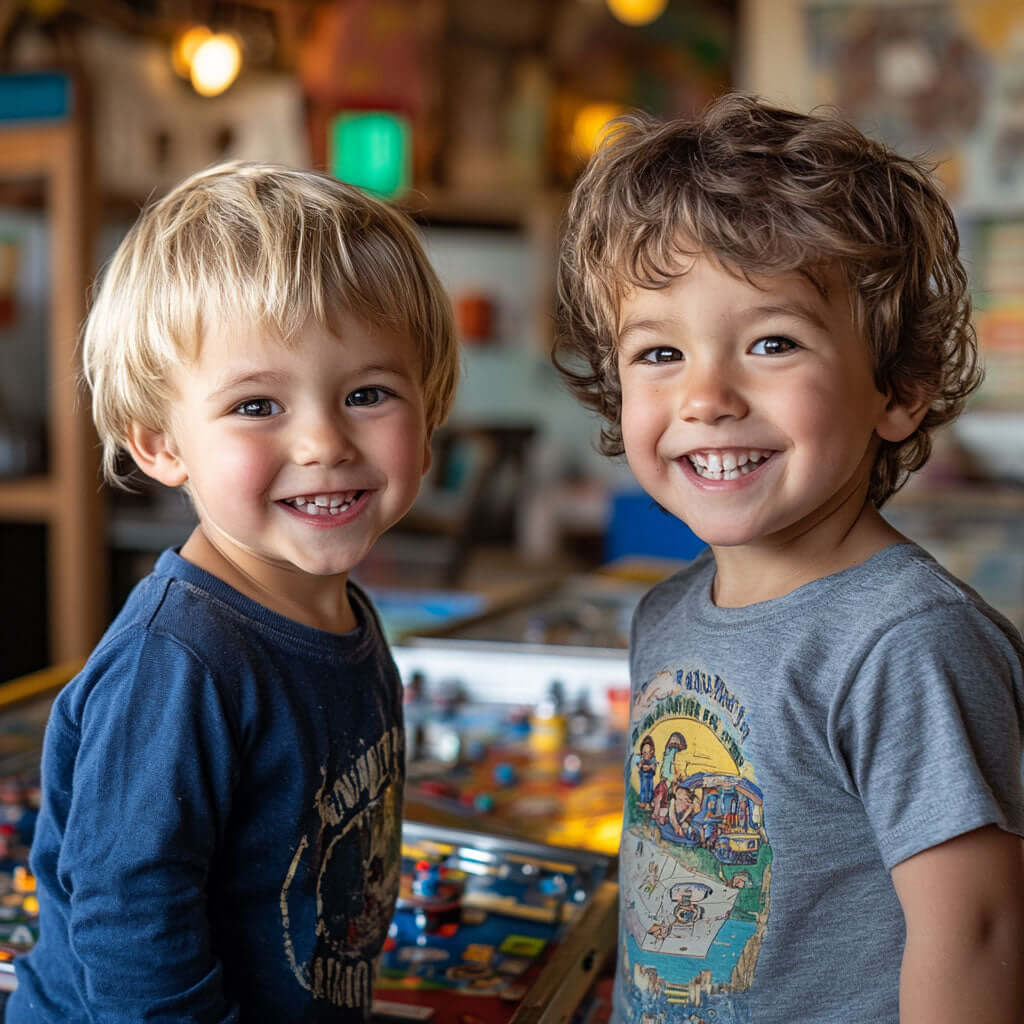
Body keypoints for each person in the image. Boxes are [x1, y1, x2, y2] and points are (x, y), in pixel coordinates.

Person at [554, 93, 1024, 1024]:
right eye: (658, 353)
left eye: (772, 342)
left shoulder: (907, 643)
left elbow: (979, 934)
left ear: (899, 389)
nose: (706, 395)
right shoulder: (667, 612)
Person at [8, 162, 458, 1022]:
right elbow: (129, 925)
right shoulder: (176, 663)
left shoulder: (342, 614)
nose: (323, 440)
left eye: (368, 393)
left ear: (427, 414)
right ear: (159, 443)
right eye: (258, 406)